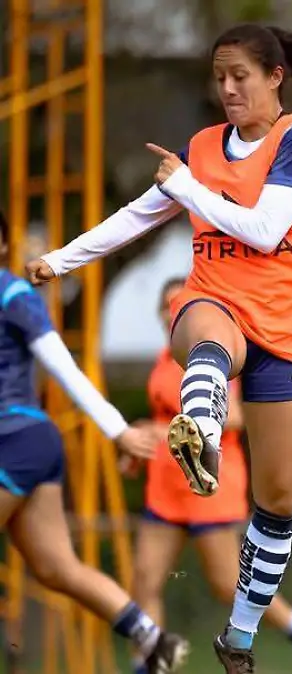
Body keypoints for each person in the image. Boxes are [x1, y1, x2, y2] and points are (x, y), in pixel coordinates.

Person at [28, 23, 292, 673]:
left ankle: (241, 638)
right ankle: (200, 421)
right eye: (218, 77)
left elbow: (263, 228)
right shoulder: (201, 147)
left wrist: (188, 187)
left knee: (280, 498)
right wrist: (62, 259)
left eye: (240, 77)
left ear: (275, 77)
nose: (226, 88)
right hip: (216, 303)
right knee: (204, 330)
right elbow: (141, 213)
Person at [0, 208, 189, 673]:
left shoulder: (13, 295)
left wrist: (116, 429)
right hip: (30, 448)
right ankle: (154, 639)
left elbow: (64, 367)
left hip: (18, 440)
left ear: (4, 245)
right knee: (55, 569)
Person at [124, 277, 292, 674]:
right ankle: (149, 665)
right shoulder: (164, 357)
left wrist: (183, 422)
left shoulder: (217, 355)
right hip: (164, 486)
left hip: (211, 484)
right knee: (144, 580)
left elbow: (237, 414)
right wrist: (141, 439)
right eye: (169, 306)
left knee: (227, 583)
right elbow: (160, 420)